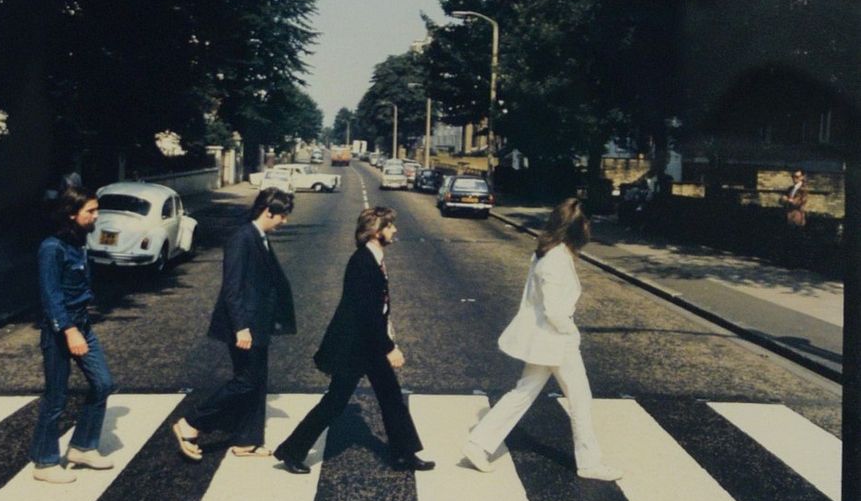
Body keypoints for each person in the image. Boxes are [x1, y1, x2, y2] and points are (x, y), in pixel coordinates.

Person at [461, 197, 622, 481]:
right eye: (586, 223)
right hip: (556, 341)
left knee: (523, 392)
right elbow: (554, 310)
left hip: (543, 340)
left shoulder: (546, 253)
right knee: (580, 399)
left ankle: (478, 443)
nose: (589, 228)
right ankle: (589, 463)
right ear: (576, 227)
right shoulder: (556, 260)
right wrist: (571, 332)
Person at [273, 206, 435, 475]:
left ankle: (404, 454)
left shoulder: (374, 257)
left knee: (391, 397)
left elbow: (377, 310)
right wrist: (389, 347)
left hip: (368, 343)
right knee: (336, 402)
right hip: (355, 346)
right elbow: (366, 314)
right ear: (375, 231)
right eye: (390, 226)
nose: (395, 230)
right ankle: (291, 451)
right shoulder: (362, 262)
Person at [172, 187, 296, 461]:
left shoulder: (259, 237)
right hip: (245, 325)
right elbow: (232, 288)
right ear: (268, 211)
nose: (284, 221)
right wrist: (241, 327)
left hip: (258, 324)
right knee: (245, 381)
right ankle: (191, 423)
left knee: (257, 381)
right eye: (282, 216)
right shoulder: (242, 238)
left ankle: (246, 441)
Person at [30, 185, 116, 484]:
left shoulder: (77, 243)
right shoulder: (51, 248)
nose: (96, 216)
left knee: (103, 383)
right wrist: (68, 332)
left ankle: (82, 447)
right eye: (90, 211)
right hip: (61, 330)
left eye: (96, 210)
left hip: (82, 325)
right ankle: (45, 461)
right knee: (56, 396)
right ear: (71, 214)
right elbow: (50, 296)